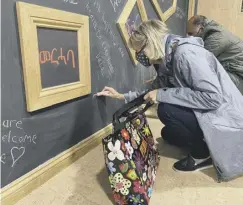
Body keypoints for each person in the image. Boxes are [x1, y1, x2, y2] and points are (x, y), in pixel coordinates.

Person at [95, 20, 243, 181]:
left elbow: (213, 98)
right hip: (208, 111)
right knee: (167, 134)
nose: (140, 57)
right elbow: (153, 90)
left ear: (151, 41)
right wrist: (121, 96)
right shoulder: (168, 56)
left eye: (140, 51)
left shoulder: (186, 54)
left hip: (225, 117)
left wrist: (162, 94)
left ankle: (202, 155)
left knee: (166, 109)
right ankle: (205, 141)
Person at [187, 15, 243, 94]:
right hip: (232, 72)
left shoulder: (216, 38)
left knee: (203, 79)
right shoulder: (214, 33)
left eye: (190, 33)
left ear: (201, 29)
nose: (188, 37)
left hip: (238, 79)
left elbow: (199, 63)